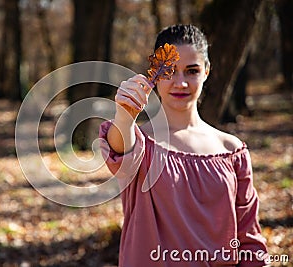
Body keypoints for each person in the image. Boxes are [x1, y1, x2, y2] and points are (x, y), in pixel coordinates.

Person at [99, 24, 268, 266]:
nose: (180, 82)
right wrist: (124, 116)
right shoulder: (140, 143)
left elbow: (250, 241)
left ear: (207, 71)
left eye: (191, 71)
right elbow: (119, 152)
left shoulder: (232, 151)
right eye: (169, 71)